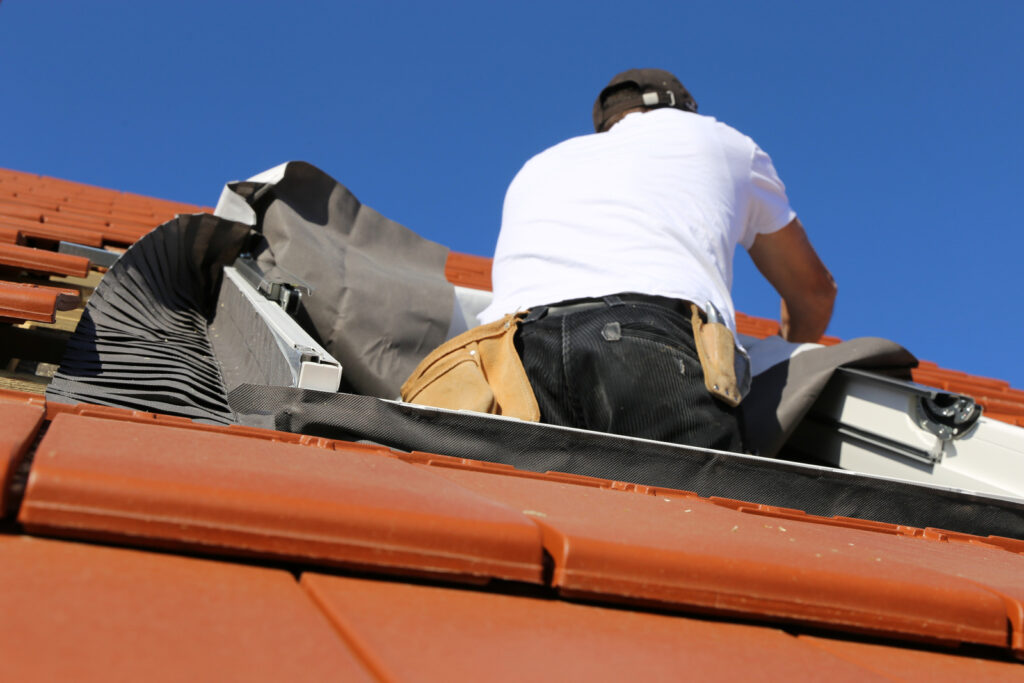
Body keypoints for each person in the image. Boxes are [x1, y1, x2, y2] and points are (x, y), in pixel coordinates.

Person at [477, 68, 836, 452]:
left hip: (509, 357)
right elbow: (813, 293)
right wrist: (786, 356)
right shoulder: (718, 141)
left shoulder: (539, 165)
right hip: (647, 343)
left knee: (537, 509)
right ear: (683, 109)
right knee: (688, 510)